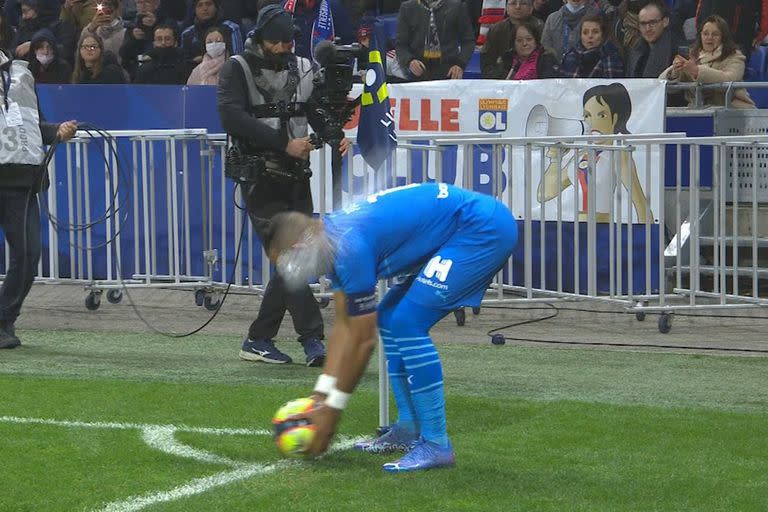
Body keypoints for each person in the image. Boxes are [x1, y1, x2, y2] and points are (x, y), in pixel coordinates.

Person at [268, 182, 518, 472]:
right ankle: (409, 428)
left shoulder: (348, 246)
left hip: (482, 229)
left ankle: (437, 444)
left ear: (302, 243)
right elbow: (343, 328)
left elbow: (362, 340)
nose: (292, 272)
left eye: (288, 262)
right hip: (463, 228)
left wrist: (331, 415)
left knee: (407, 322)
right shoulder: (331, 241)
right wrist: (320, 397)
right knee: (389, 317)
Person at [217, 4, 352, 366]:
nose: (284, 48)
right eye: (276, 42)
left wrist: (334, 134)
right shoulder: (236, 68)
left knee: (295, 259)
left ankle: (259, 339)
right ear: (261, 39)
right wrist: (283, 144)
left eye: (288, 41)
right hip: (259, 177)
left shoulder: (303, 66)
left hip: (296, 177)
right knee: (293, 256)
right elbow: (231, 116)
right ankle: (313, 341)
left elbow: (316, 108)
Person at [0, 47, 77, 349]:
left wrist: (56, 130)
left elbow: (31, 126)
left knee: (30, 255)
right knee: (27, 254)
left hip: (22, 181)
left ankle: (5, 320)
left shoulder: (21, 74)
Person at [537, 83, 651, 223]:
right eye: (587, 116)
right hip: (576, 230)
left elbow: (639, 202)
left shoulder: (619, 154)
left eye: (601, 115)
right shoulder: (581, 156)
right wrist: (555, 159)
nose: (592, 123)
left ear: (615, 118)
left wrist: (646, 238)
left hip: (602, 231)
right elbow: (544, 194)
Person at [659, 15, 755, 108]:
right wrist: (674, 73)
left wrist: (697, 71)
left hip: (734, 111)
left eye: (715, 34)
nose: (709, 38)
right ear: (700, 35)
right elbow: (665, 85)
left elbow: (729, 78)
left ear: (723, 37)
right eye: (705, 34)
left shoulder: (735, 56)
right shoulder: (692, 55)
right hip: (698, 112)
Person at [395, 0, 476, 81]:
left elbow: (468, 41)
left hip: (449, 71)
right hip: (418, 71)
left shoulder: (457, 7)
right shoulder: (407, 8)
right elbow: (401, 44)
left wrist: (460, 64)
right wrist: (409, 61)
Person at [480, 0, 544, 78]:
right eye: (513, 3)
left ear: (531, 8)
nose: (518, 7)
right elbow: (487, 62)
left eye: (523, 3)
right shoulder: (496, 30)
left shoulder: (540, 28)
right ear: (507, 8)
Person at [626, 1, 687, 78]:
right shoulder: (635, 50)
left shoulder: (679, 51)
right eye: (643, 24)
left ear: (665, 22)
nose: (648, 28)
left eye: (652, 22)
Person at [180, 0, 241, 67]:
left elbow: (237, 60)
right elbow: (184, 65)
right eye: (200, 5)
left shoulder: (231, 28)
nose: (205, 8)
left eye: (208, 4)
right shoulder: (187, 34)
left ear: (216, 7)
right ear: (195, 10)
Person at [560, 14, 624, 77]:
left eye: (595, 32)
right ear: (580, 35)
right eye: (585, 32)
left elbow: (614, 86)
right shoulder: (570, 56)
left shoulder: (611, 57)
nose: (590, 36)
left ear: (603, 35)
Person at [81, 0, 126, 64]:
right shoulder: (93, 29)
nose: (106, 14)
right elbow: (81, 46)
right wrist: (91, 29)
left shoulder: (125, 32)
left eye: (109, 11)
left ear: (116, 10)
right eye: (103, 9)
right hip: (94, 69)